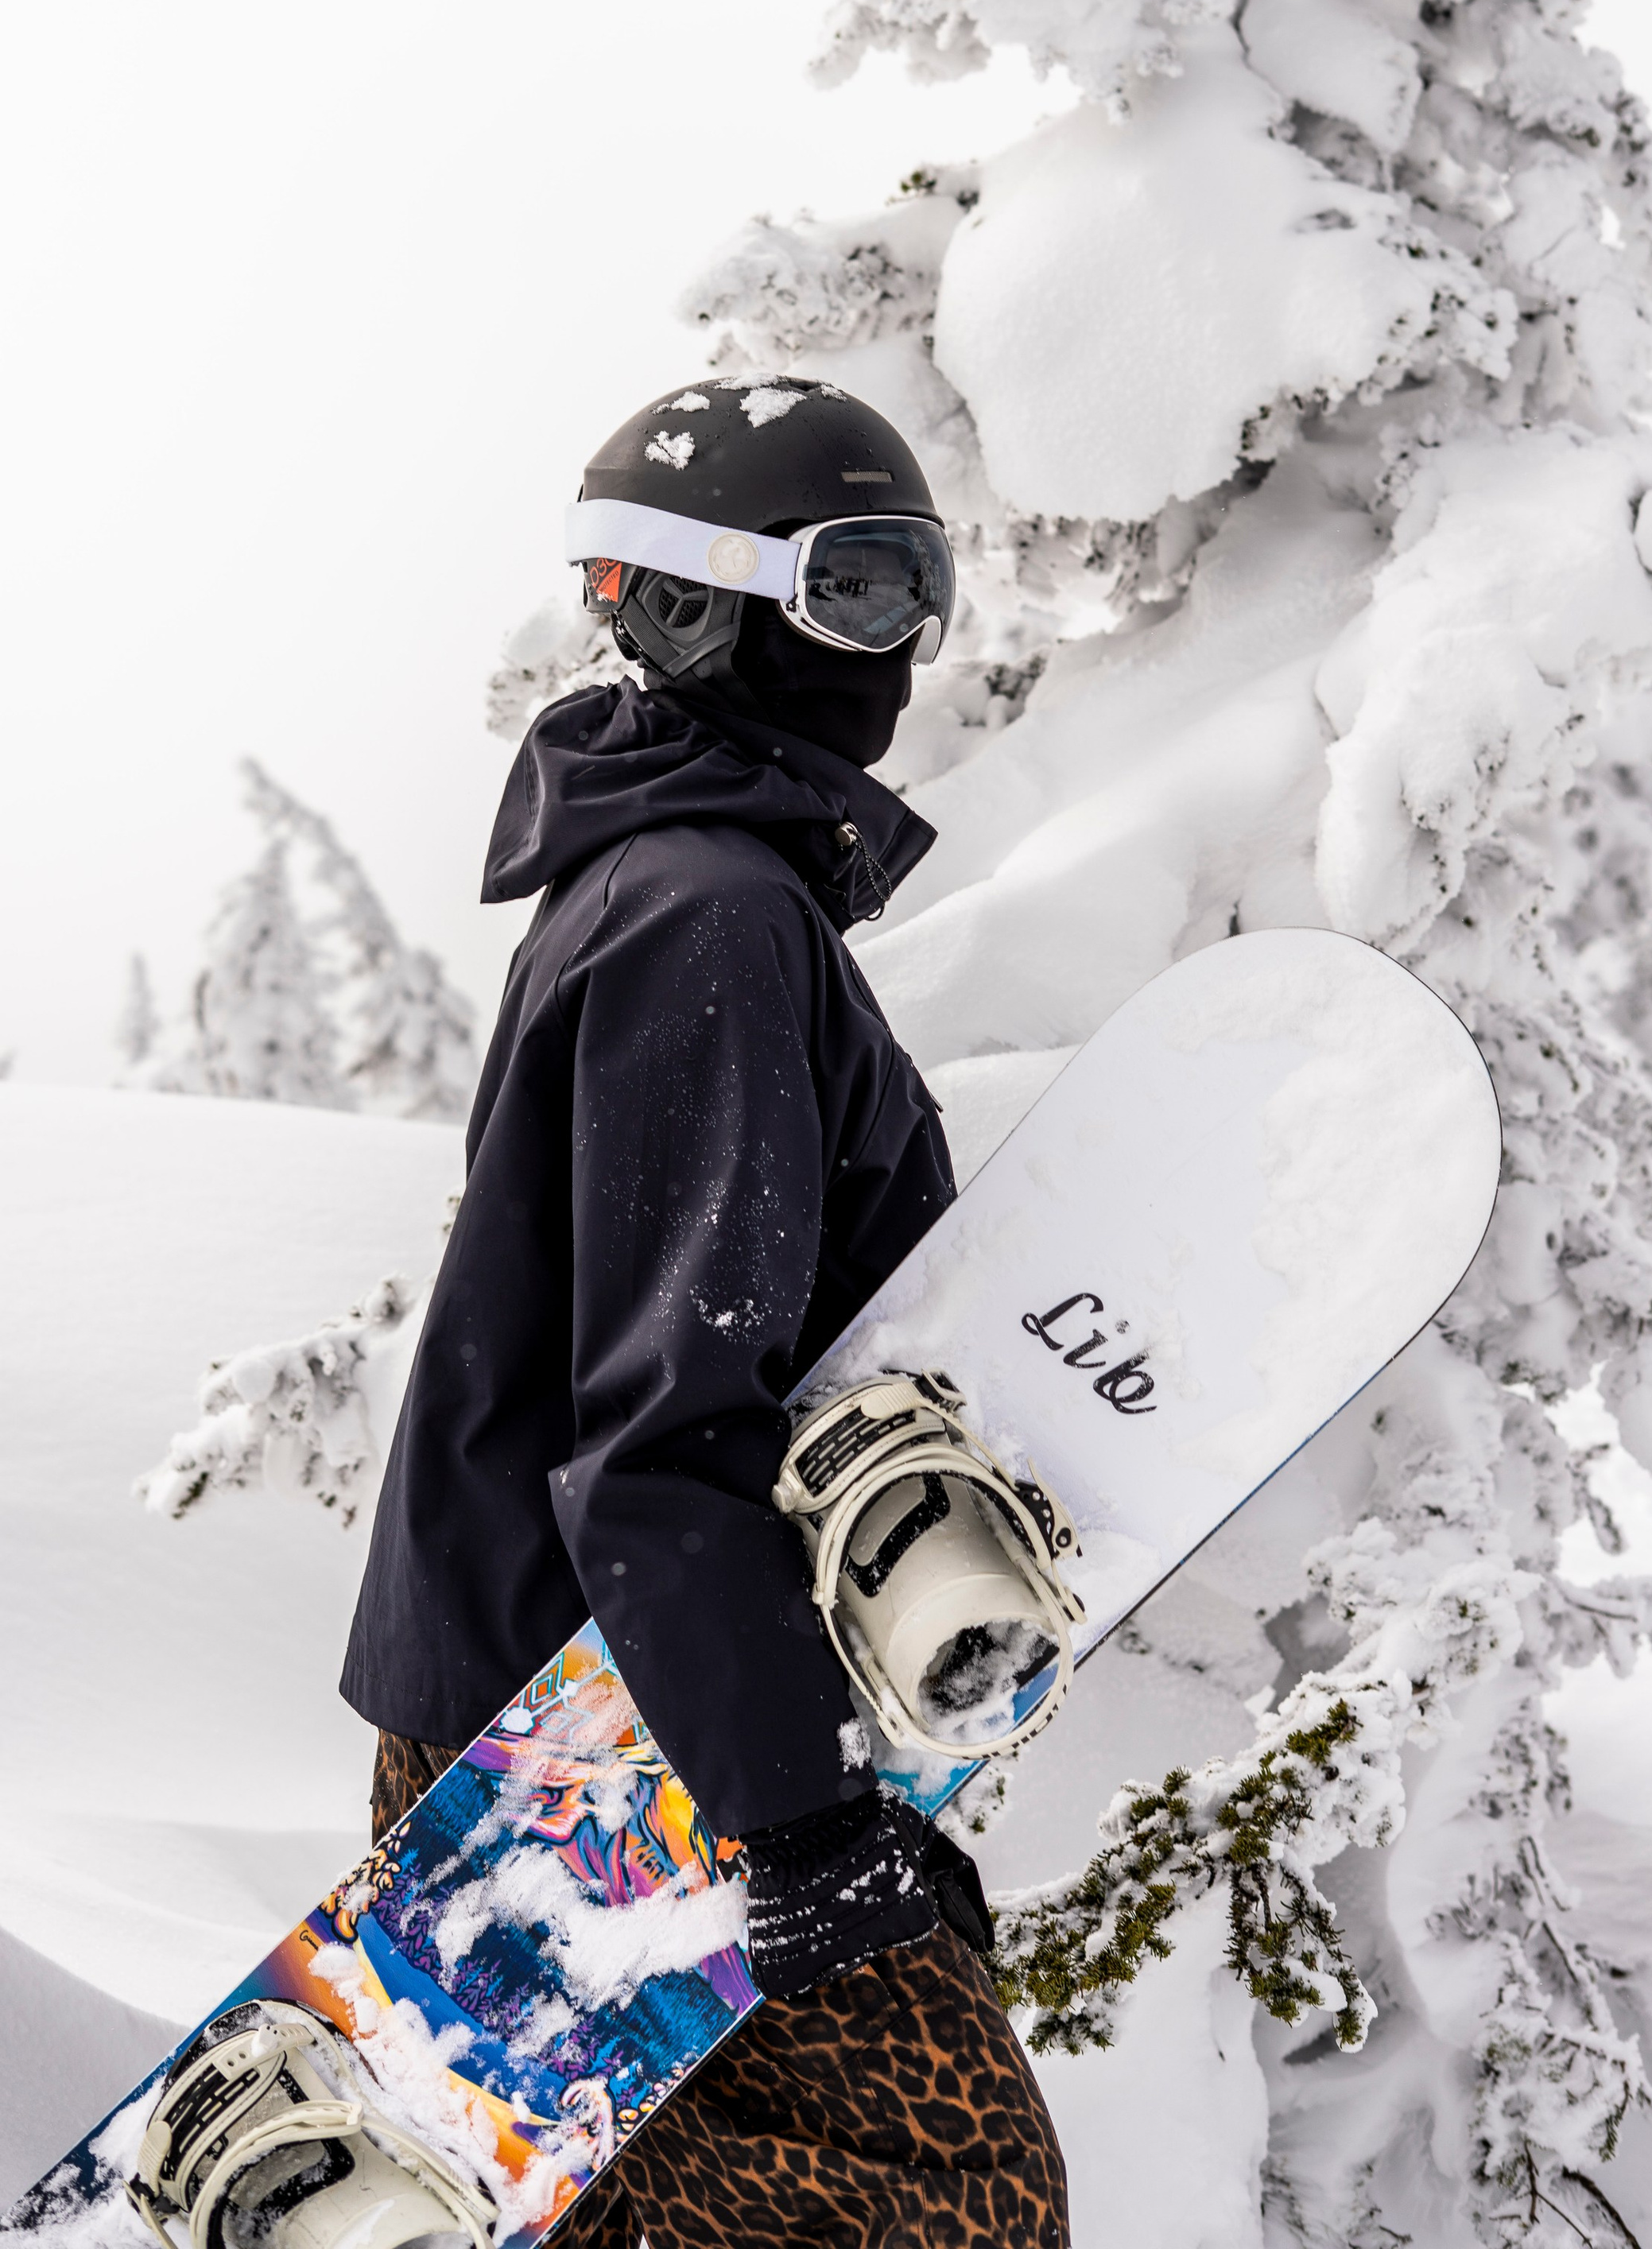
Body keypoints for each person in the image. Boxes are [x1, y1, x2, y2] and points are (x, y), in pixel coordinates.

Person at [342, 374, 1069, 2249]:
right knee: (948, 2203)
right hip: (603, 1734)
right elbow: (660, 1420)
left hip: (580, 1698)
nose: (894, 650)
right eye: (850, 588)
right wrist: (800, 1819)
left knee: (778, 2185)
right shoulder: (711, 920)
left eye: (918, 588)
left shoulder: (657, 889)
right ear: (680, 608)